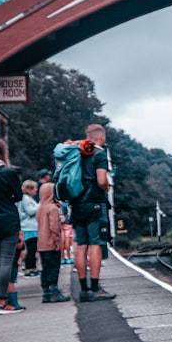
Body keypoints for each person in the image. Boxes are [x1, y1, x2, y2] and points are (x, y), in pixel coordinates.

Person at [70, 124, 115, 302]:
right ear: (102, 137)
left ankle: (83, 290)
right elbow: (101, 179)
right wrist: (105, 187)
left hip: (76, 204)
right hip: (94, 204)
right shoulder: (99, 153)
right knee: (95, 244)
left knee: (81, 245)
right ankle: (95, 288)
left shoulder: (76, 153)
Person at [0, 137, 23, 314]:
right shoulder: (7, 172)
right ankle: (3, 301)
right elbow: (18, 195)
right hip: (7, 220)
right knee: (6, 261)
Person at [36, 182, 69, 303]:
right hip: (51, 243)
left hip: (41, 243)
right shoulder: (53, 208)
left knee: (44, 268)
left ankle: (46, 293)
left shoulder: (40, 208)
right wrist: (57, 242)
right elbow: (54, 227)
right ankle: (55, 292)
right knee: (54, 267)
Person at [17, 179, 39, 278]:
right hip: (29, 227)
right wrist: (41, 205)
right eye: (35, 188)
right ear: (29, 189)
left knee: (33, 249)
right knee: (30, 249)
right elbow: (30, 211)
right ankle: (29, 269)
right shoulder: (26, 199)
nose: (36, 190)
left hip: (31, 226)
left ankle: (33, 268)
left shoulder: (27, 198)